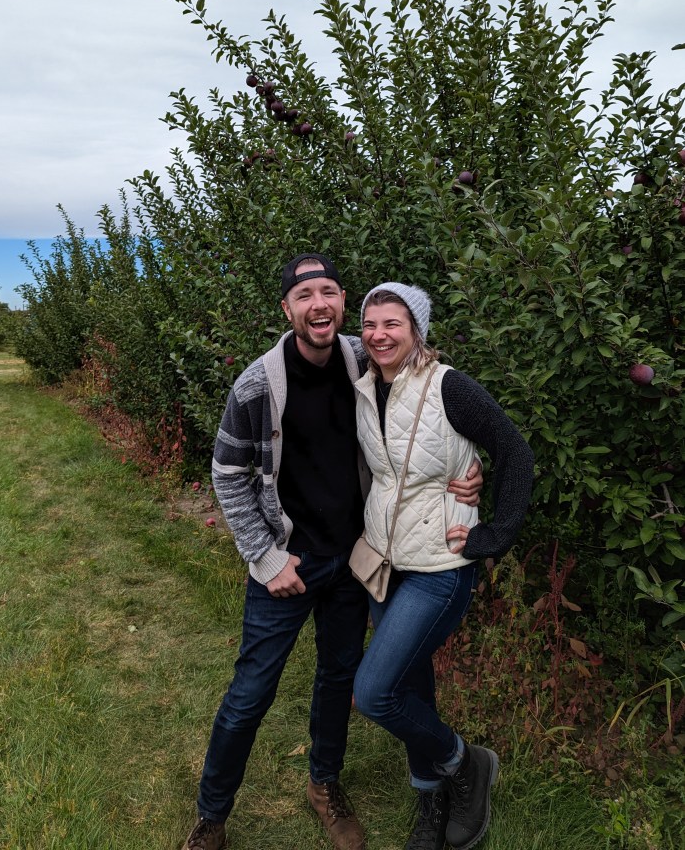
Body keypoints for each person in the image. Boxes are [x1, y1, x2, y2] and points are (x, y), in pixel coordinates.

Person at [183, 255, 484, 850]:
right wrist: (266, 558)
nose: (318, 305)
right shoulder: (257, 384)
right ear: (288, 310)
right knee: (250, 693)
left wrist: (470, 470)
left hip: (353, 560)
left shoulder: (362, 359)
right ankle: (211, 819)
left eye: (328, 292)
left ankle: (325, 785)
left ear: (343, 299)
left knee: (336, 678)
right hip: (287, 562)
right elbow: (227, 473)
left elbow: (431, 417)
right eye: (304, 296)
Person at [351, 283, 534, 850]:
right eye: (371, 324)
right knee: (409, 683)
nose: (379, 334)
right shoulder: (362, 386)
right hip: (385, 560)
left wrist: (495, 534)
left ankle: (465, 763)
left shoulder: (447, 385)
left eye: (393, 324)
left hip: (440, 566)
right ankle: (430, 797)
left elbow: (516, 451)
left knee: (374, 692)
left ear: (417, 331)